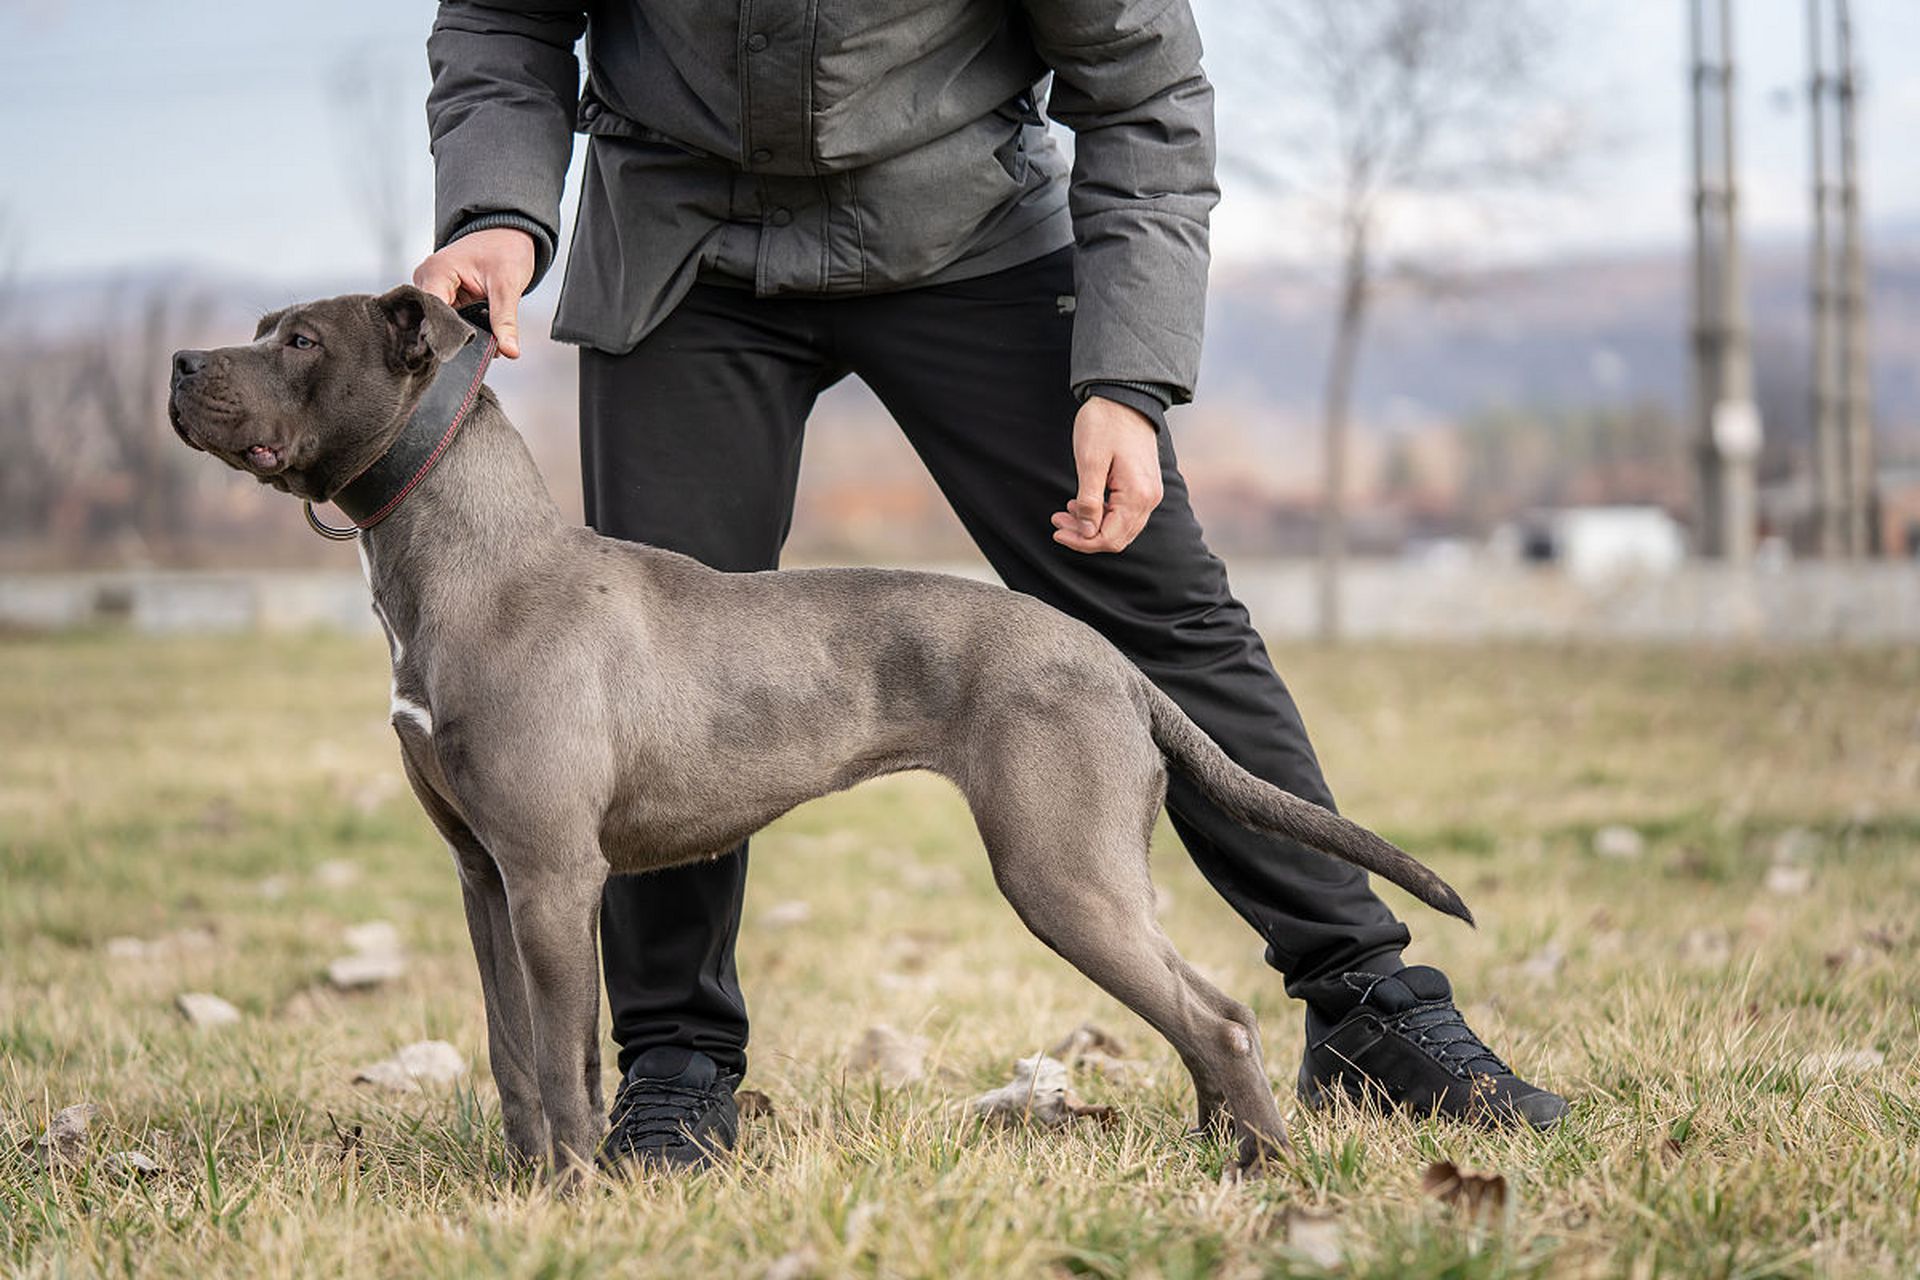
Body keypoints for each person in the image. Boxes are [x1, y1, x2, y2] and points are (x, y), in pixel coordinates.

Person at [413, 0, 1568, 1169]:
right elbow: (504, 19)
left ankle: (1366, 1000)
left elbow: (1142, 83)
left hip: (967, 226)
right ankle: (675, 1066)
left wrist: (1127, 377)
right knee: (642, 673)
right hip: (677, 242)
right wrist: (498, 208)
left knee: (1155, 606)